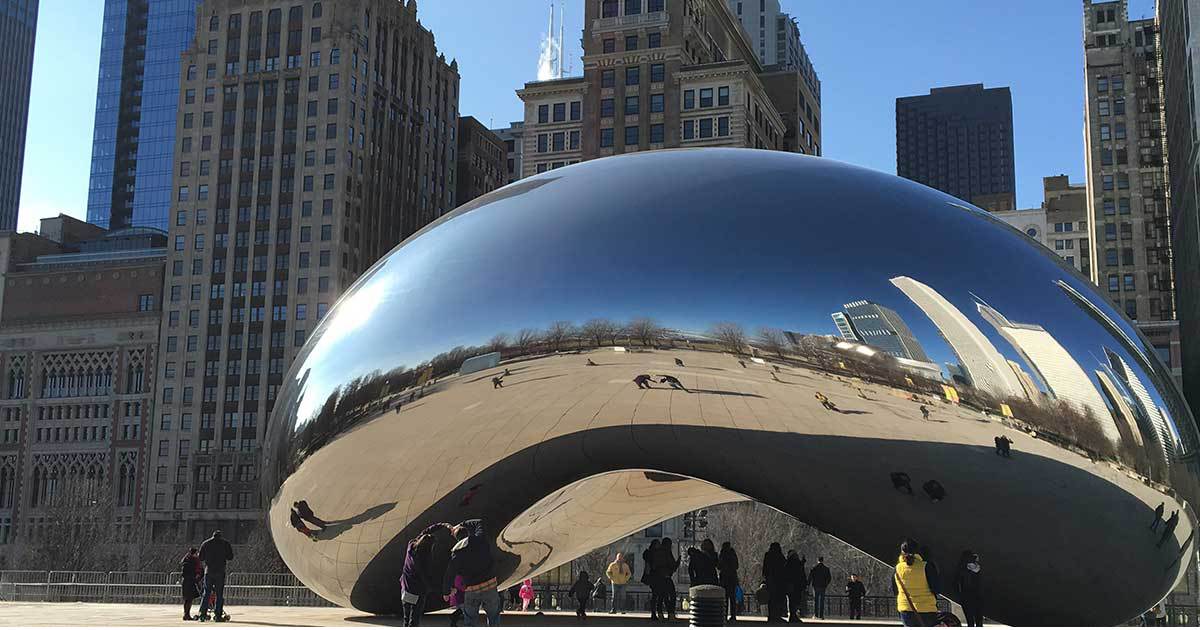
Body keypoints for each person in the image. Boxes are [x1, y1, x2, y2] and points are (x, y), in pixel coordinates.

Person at [444, 519, 500, 627]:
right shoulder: (480, 539)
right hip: (489, 585)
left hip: (472, 589)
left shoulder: (457, 553)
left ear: (456, 539)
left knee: (470, 620)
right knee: (493, 617)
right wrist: (461, 524)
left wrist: (446, 592)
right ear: (468, 532)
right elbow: (479, 522)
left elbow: (449, 574)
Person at [401, 522, 449, 626]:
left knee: (406, 618)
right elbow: (426, 580)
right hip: (417, 592)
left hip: (405, 587)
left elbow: (425, 532)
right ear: (428, 547)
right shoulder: (423, 561)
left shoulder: (411, 546)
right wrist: (443, 591)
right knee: (414, 619)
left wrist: (442, 525)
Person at [893, 540, 940, 627]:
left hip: (905, 609)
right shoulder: (926, 566)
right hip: (927, 609)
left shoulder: (897, 568)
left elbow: (895, 590)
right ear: (917, 551)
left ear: (902, 552)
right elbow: (936, 588)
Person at [197, 530, 234, 622]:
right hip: (220, 571)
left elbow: (200, 557)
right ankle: (218, 615)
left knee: (206, 593)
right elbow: (230, 557)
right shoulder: (225, 544)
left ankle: (202, 614)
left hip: (209, 571)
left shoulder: (206, 543)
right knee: (219, 594)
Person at [652, 537, 680, 621]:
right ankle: (671, 614)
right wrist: (678, 562)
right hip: (666, 576)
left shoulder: (656, 552)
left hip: (658, 577)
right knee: (672, 595)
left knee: (661, 596)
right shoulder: (667, 552)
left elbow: (654, 565)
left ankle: (660, 614)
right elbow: (672, 565)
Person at [954, 551, 983, 627]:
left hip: (966, 597)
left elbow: (957, 583)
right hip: (977, 596)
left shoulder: (961, 569)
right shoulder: (978, 568)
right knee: (979, 619)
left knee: (970, 620)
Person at [761, 542, 788, 623]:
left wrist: (765, 577)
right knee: (778, 598)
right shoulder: (779, 556)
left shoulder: (768, 555)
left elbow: (765, 568)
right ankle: (777, 615)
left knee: (771, 599)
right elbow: (784, 566)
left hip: (770, 580)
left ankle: (771, 616)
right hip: (778, 580)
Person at [717, 542, 740, 622]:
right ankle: (733, 616)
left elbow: (719, 566)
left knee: (725, 598)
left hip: (724, 579)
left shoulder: (722, 554)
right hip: (732, 578)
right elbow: (737, 566)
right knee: (732, 598)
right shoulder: (733, 555)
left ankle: (724, 615)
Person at [180, 547, 203, 621]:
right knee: (189, 599)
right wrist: (197, 577)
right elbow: (198, 570)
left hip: (187, 580)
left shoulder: (186, 559)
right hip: (190, 581)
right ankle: (187, 615)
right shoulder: (193, 560)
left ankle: (186, 614)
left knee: (187, 599)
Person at [784, 550, 807, 623]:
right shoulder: (796, 562)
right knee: (796, 600)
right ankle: (794, 615)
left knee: (791, 600)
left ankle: (792, 615)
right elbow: (800, 573)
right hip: (797, 585)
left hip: (790, 585)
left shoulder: (787, 563)